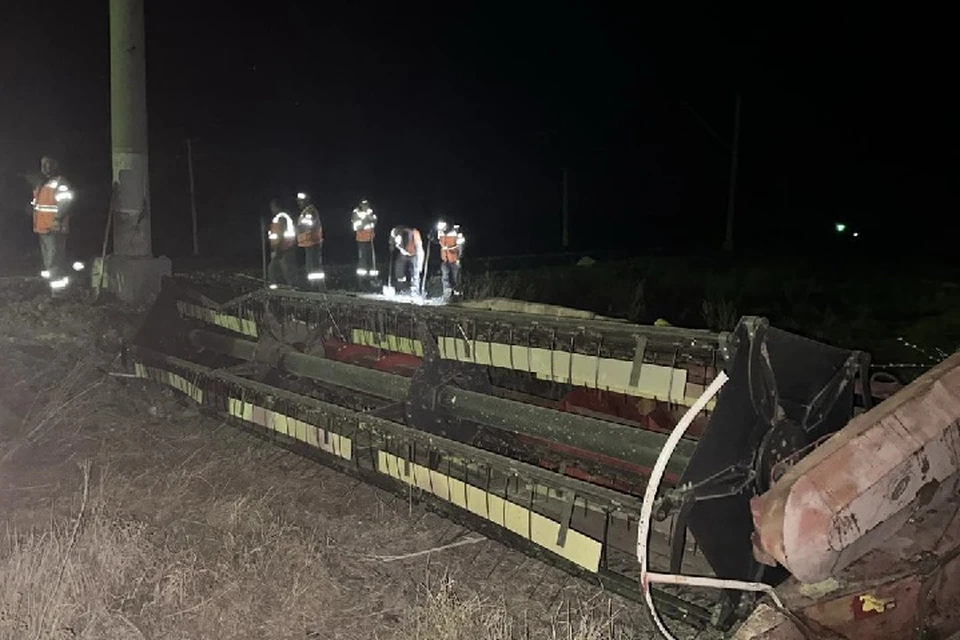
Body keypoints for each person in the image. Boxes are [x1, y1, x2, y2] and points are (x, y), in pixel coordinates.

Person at [30, 156, 74, 292]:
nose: (45, 167)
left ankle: (58, 292)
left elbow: (65, 202)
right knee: (49, 260)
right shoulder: (42, 183)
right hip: (42, 227)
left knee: (54, 260)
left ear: (55, 165)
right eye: (43, 163)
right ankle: (52, 288)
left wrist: (57, 219)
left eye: (48, 163)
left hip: (54, 227)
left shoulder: (60, 182)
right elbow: (38, 205)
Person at [296, 192, 324, 287]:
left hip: (312, 241)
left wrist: (300, 228)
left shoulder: (309, 211)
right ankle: (315, 285)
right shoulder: (305, 211)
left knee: (314, 266)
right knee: (311, 266)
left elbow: (308, 225)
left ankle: (316, 286)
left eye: (300, 201)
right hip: (308, 242)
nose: (299, 203)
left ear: (305, 201)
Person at [266, 199, 296, 288]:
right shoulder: (278, 218)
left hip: (284, 248)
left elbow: (280, 234)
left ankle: (292, 287)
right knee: (275, 268)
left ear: (277, 207)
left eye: (272, 207)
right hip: (282, 248)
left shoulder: (281, 217)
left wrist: (277, 249)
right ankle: (280, 287)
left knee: (286, 268)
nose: (271, 209)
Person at [435, 220, 465, 301]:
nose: (442, 229)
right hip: (445, 258)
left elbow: (461, 246)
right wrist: (432, 237)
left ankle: (457, 294)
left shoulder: (456, 232)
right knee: (445, 277)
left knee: (456, 278)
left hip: (454, 258)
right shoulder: (440, 232)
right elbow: (438, 241)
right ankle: (447, 294)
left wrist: (459, 258)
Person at [389, 225, 424, 295]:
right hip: (403, 253)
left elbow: (419, 249)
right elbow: (392, 241)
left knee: (415, 273)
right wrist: (392, 245)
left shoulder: (415, 234)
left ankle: (415, 292)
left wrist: (420, 264)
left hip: (414, 254)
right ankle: (400, 289)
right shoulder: (395, 232)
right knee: (399, 270)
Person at [351, 199, 378, 280]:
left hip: (370, 239)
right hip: (361, 240)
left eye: (366, 204)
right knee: (363, 259)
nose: (365, 206)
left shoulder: (370, 212)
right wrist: (366, 221)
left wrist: (369, 220)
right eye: (364, 204)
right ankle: (362, 280)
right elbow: (356, 227)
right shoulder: (356, 213)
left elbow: (374, 221)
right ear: (360, 205)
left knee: (372, 259)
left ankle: (373, 279)